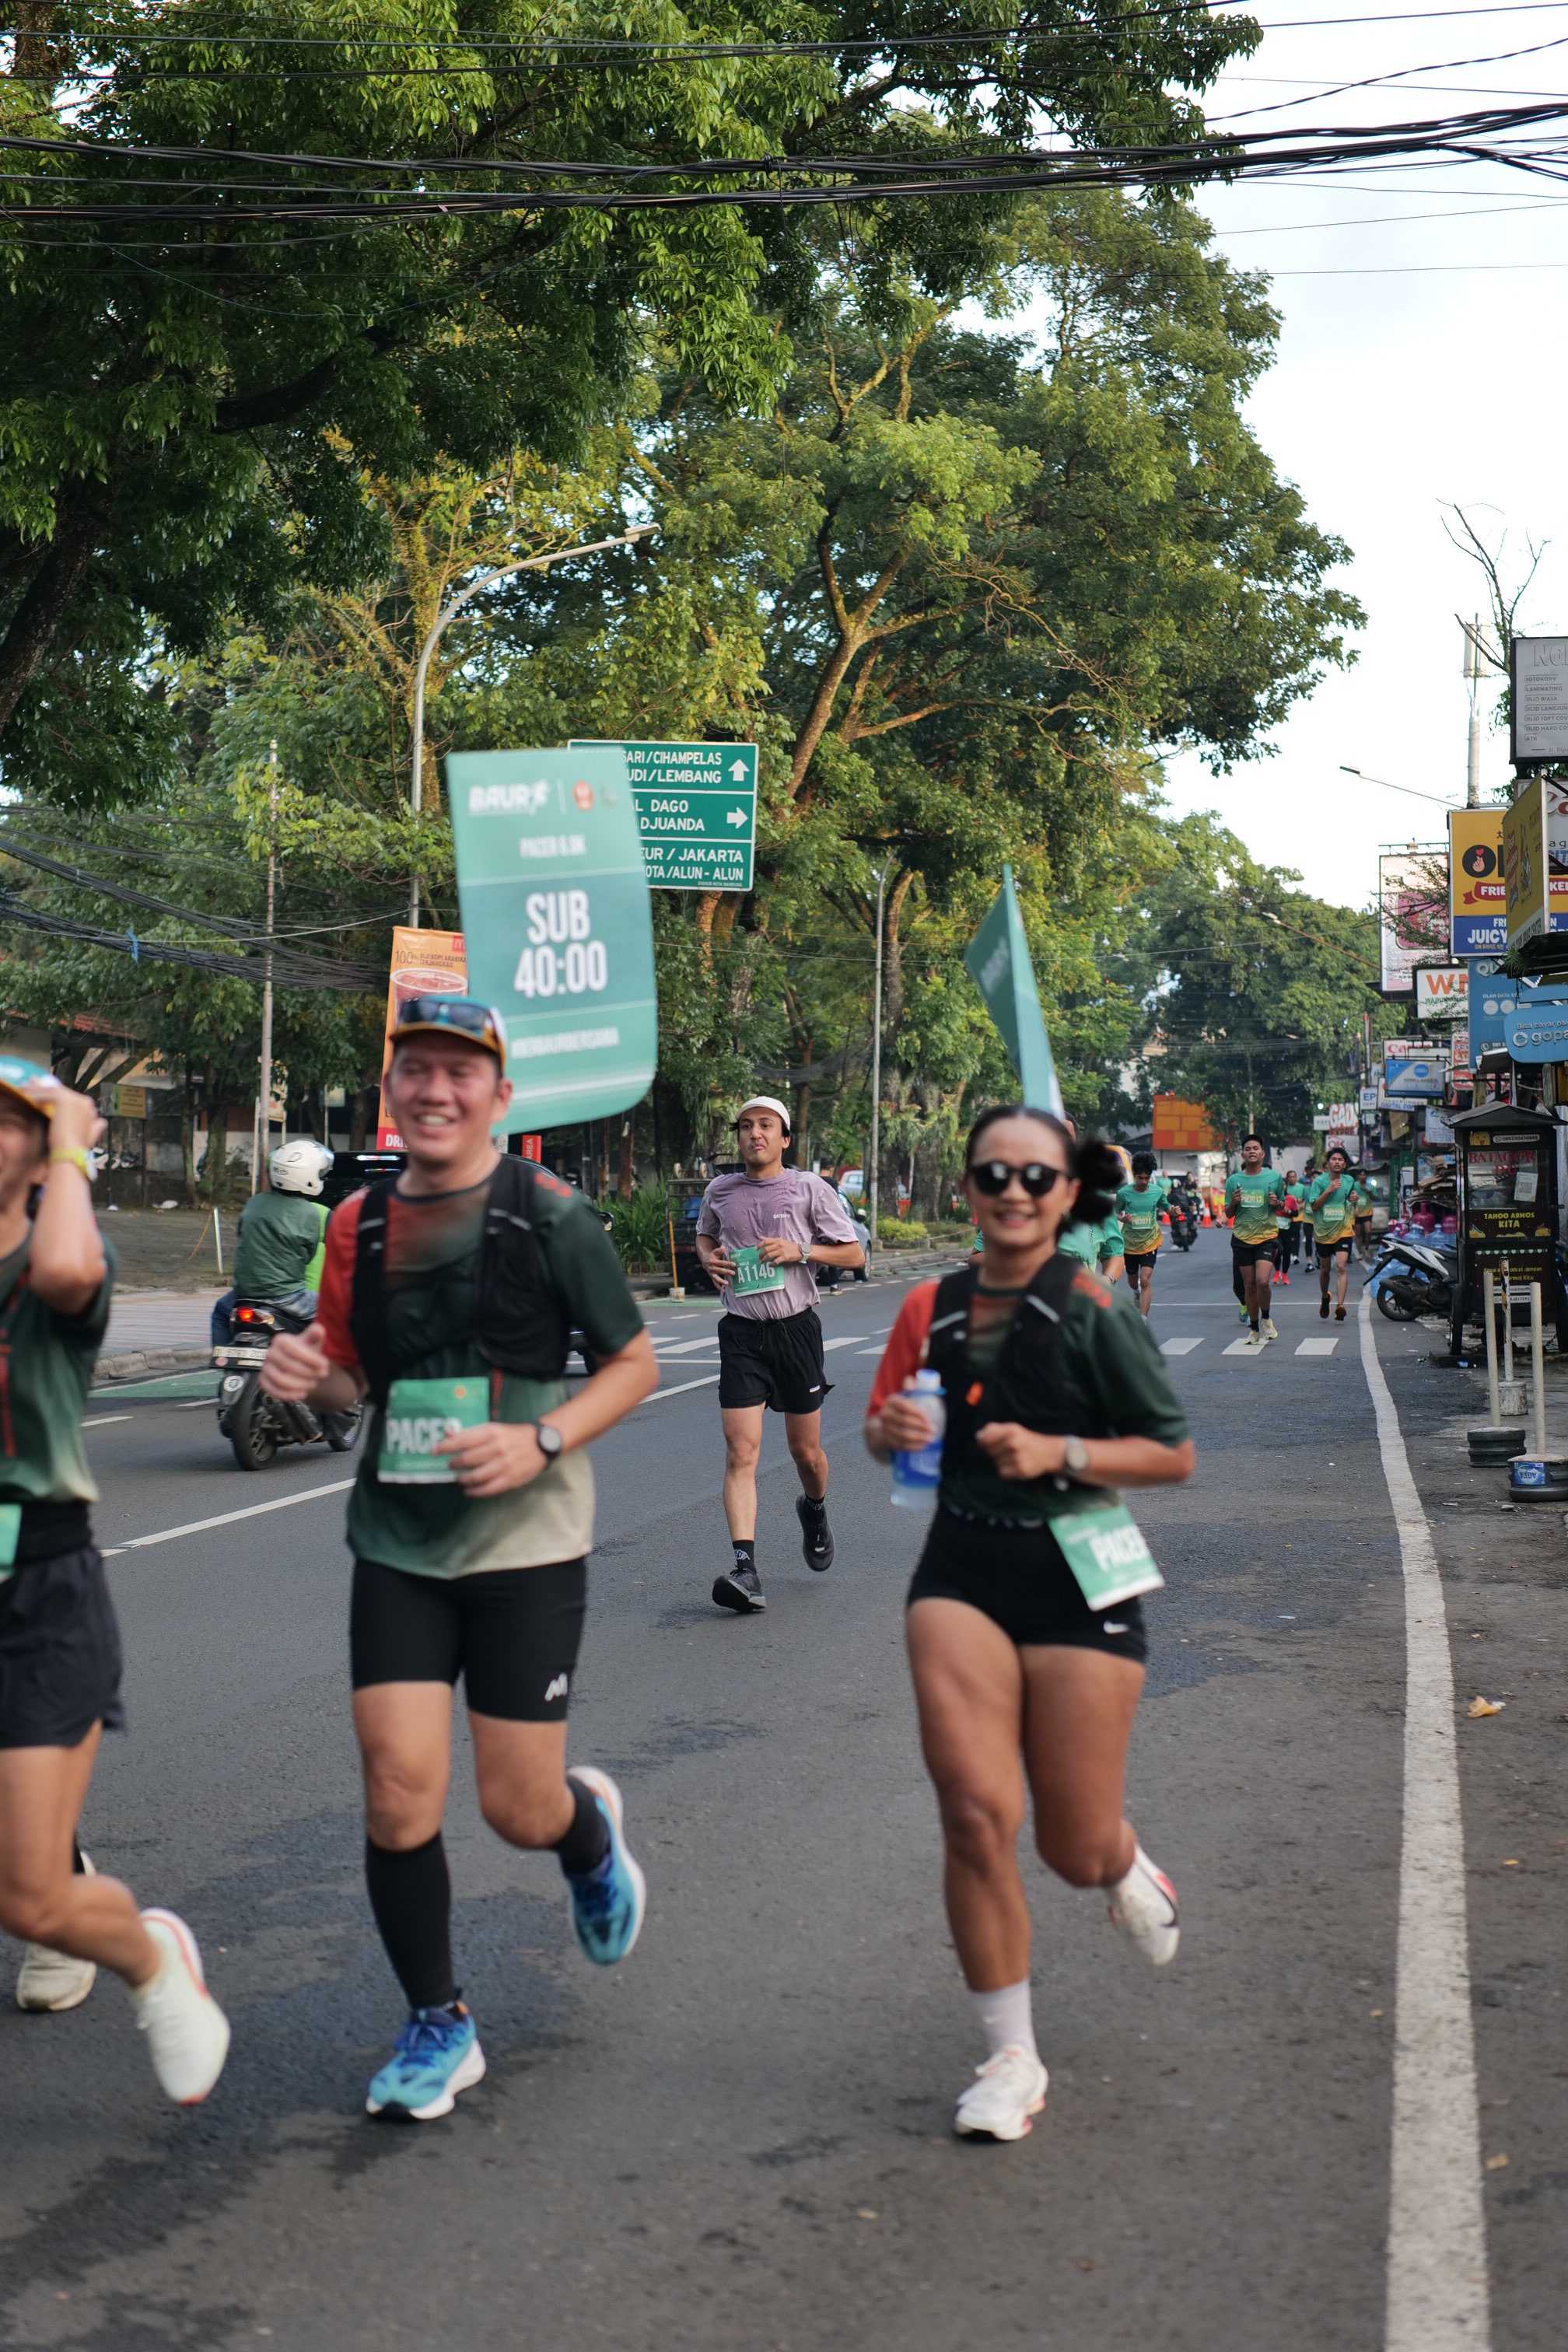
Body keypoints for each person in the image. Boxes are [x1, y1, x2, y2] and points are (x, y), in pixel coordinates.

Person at [260, 996, 658, 2122]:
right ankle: (439, 2020)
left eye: (460, 1071)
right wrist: (309, 1381)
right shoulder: (357, 1226)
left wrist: (542, 1439)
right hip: (399, 1534)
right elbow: (350, 1381)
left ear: (499, 1096)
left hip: (528, 1534)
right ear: (391, 1093)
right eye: (416, 1070)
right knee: (396, 1789)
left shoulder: (551, 1215)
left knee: (518, 1807)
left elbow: (631, 1365)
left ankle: (585, 1836)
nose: (436, 1089)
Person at [864, 1107, 1195, 2143]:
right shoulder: (929, 1306)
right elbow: (883, 1431)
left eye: (1036, 1177)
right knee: (973, 1813)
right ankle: (1011, 2057)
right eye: (993, 1174)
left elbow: (1171, 1451)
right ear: (969, 1187)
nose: (1014, 1192)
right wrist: (890, 1428)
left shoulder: (1094, 1307)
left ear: (1067, 1194)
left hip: (1079, 1574)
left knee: (1074, 1846)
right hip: (961, 1569)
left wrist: (1063, 1453)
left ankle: (1122, 1863)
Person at [0, 1057, 230, 2102]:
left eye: (13, 1123)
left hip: (38, 1590)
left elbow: (61, 1269)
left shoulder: (60, 1258)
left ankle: (149, 1957)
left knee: (31, 1899)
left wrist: (71, 1142)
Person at [695, 1097, 864, 1614]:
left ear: (785, 1138)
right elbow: (705, 1235)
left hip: (796, 1332)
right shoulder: (720, 1190)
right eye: (746, 1126)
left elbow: (854, 1253)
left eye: (766, 1125)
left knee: (804, 1453)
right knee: (740, 1451)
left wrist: (801, 1251)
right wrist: (709, 1259)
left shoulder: (810, 1188)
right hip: (741, 1334)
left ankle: (814, 1508)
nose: (755, 1134)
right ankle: (745, 1569)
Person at [210, 1137, 334, 1346]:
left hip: (244, 1295)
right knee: (337, 1314)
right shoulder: (311, 1213)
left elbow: (242, 1235)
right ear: (309, 1176)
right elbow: (309, 1254)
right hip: (288, 1296)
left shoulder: (254, 1202)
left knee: (220, 1313)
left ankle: (221, 1356)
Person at [1224, 1137, 1282, 1347]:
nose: (1252, 1151)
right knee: (1249, 1285)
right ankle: (1254, 1328)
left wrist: (1277, 1202)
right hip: (1242, 1238)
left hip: (1267, 1236)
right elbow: (1228, 1213)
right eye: (1248, 1149)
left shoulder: (1274, 1178)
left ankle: (1266, 1318)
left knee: (1262, 1282)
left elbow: (1281, 1205)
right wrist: (1234, 1202)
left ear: (1262, 1153)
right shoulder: (1233, 1181)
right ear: (1243, 1154)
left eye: (1256, 1148)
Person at [1306, 1146, 1369, 1323]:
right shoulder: (1319, 1182)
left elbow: (1350, 1200)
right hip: (1323, 1232)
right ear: (1328, 1163)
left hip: (1343, 1229)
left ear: (1345, 1164)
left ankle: (1340, 1306)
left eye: (1340, 1160)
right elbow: (1314, 1206)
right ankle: (1325, 1296)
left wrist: (1353, 1199)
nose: (1337, 1162)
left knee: (1341, 1266)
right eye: (1334, 1159)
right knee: (1325, 1269)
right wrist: (1329, 1190)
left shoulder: (1349, 1181)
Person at [1114, 1152, 1168, 1317]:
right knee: (1133, 1281)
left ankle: (1143, 1319)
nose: (1144, 1181)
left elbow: (1166, 1206)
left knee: (1145, 1279)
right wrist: (1122, 1218)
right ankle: (1136, 1291)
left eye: (1147, 1178)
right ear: (1134, 1176)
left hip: (1150, 1242)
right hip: (1130, 1244)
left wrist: (1173, 1210)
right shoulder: (1123, 1193)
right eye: (1140, 1178)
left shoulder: (1157, 1191)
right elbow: (1116, 1212)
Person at [1274, 1172, 1300, 1286]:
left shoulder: (1290, 1198)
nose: (1281, 1187)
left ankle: (1284, 1275)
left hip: (1288, 1229)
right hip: (1275, 1229)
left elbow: (1296, 1213)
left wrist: (1288, 1211)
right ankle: (1276, 1272)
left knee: (1286, 1252)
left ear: (1286, 1186)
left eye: (1283, 1185)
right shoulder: (1273, 1198)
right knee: (1278, 1250)